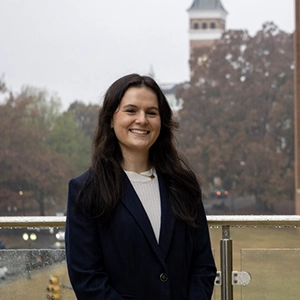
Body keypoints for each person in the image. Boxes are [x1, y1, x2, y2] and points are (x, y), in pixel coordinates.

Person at [65, 74, 216, 300]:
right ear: (110, 119)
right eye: (131, 110)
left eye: (151, 113)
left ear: (161, 122)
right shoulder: (86, 190)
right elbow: (88, 280)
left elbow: (203, 266)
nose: (142, 120)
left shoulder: (184, 184)